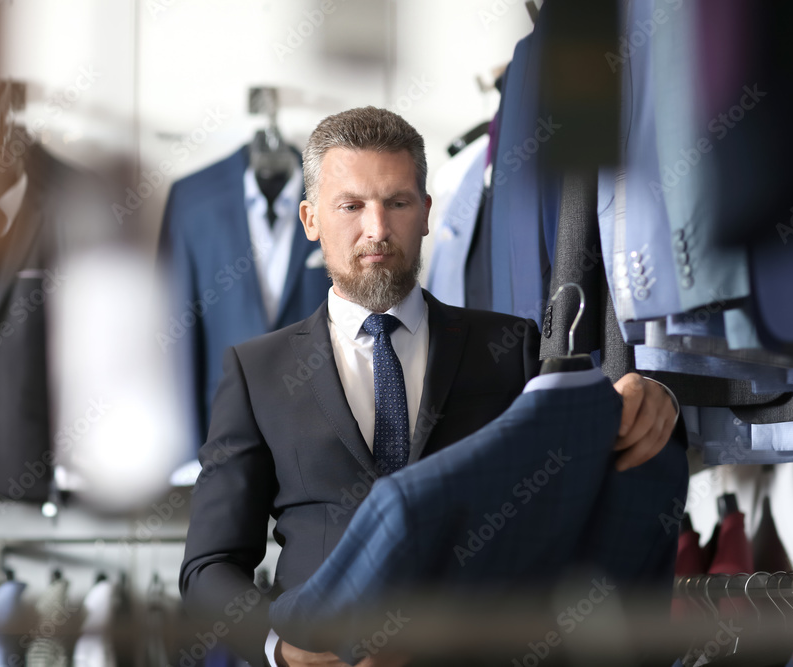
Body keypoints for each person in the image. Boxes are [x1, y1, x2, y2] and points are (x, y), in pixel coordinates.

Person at [179, 106, 678, 667]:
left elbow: (587, 474)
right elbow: (208, 567)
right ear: (310, 219)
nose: (377, 229)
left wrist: (655, 396)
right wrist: (280, 649)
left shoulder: (511, 345)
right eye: (351, 206)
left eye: (397, 202)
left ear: (425, 213)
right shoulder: (257, 371)